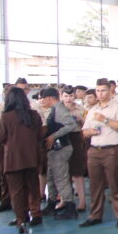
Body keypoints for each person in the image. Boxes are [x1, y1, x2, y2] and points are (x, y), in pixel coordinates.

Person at [79, 78, 118, 228]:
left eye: (103, 91)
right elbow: (84, 131)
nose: (100, 94)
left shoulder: (117, 107)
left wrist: (105, 120)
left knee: (116, 184)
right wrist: (89, 132)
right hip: (94, 150)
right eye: (98, 91)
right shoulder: (92, 110)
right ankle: (95, 215)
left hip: (112, 150)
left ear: (110, 91)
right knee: (95, 185)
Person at [0, 87, 44, 234]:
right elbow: (40, 136)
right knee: (33, 187)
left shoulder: (6, 117)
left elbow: (0, 138)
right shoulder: (34, 115)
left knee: (16, 191)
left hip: (13, 159)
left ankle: (21, 218)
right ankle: (36, 214)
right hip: (32, 157)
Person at [36, 87, 79, 220]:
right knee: (51, 177)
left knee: (61, 178)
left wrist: (54, 136)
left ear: (50, 98)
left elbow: (71, 125)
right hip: (54, 149)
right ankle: (51, 204)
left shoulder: (59, 109)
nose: (42, 101)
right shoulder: (55, 109)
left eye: (43, 98)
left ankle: (70, 207)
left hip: (61, 148)